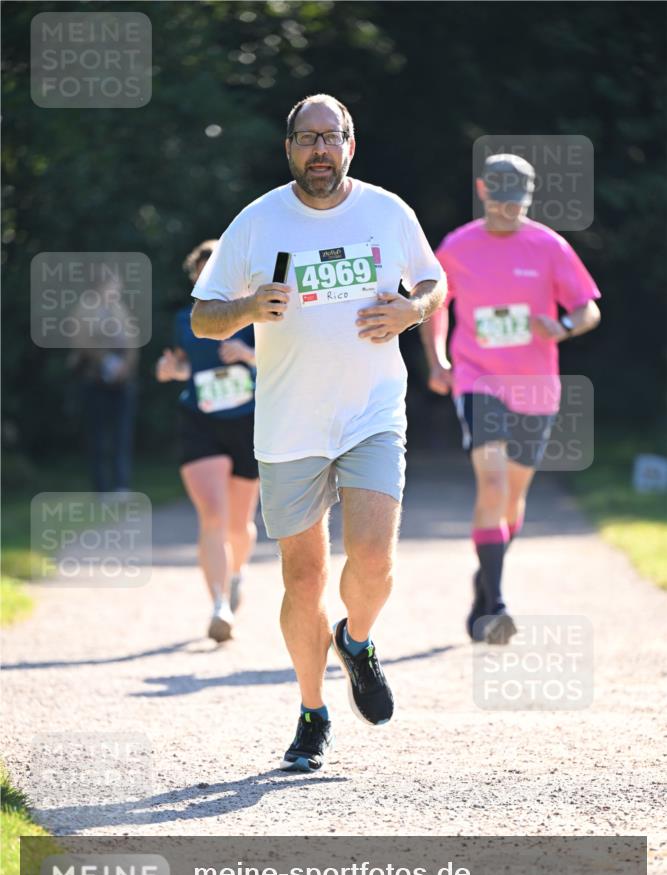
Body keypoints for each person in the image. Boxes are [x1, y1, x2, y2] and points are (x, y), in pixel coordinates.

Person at [190, 93, 446, 772]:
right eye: (307, 138)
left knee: (374, 558)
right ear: (289, 149)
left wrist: (414, 310)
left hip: (370, 412)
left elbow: (433, 280)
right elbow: (202, 318)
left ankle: (355, 641)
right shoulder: (257, 221)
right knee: (302, 579)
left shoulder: (387, 212)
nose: (320, 150)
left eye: (331, 137)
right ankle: (312, 712)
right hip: (289, 424)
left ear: (350, 145)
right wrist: (247, 306)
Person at [421, 154, 601, 644]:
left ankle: (484, 583)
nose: (508, 210)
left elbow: (587, 309)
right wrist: (438, 360)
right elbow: (435, 305)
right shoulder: (457, 246)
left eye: (517, 202)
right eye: (500, 200)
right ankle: (498, 605)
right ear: (483, 190)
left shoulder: (548, 245)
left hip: (536, 387)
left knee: (513, 498)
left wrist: (563, 326)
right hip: (478, 380)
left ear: (529, 196)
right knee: (493, 483)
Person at [156, 240, 260, 642]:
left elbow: (284, 363)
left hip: (248, 422)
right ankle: (219, 606)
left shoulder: (256, 314)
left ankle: (236, 574)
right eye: (201, 274)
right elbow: (187, 367)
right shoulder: (185, 320)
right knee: (213, 516)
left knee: (239, 525)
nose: (209, 280)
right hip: (200, 421)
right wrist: (170, 369)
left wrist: (247, 355)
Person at [69, 269, 139, 497]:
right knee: (98, 436)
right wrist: (106, 361)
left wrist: (125, 366)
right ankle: (101, 489)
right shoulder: (85, 309)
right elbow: (81, 341)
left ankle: (121, 486)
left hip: (122, 382)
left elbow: (132, 340)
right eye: (113, 284)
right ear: (101, 285)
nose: (117, 289)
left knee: (122, 435)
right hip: (95, 380)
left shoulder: (120, 308)